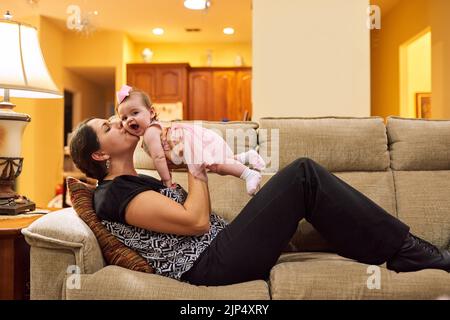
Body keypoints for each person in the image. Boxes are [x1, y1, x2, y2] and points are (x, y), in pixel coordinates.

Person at [69, 117, 450, 286]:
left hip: (222, 247)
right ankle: (409, 251)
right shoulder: (112, 195)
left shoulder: (138, 178)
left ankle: (396, 249)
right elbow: (195, 222)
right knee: (302, 173)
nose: (118, 122)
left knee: (307, 183)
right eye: (107, 128)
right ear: (100, 155)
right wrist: (195, 166)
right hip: (210, 265)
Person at [116, 85, 265, 195]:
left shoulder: (150, 133)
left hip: (189, 143)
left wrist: (166, 181)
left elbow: (159, 157)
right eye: (124, 118)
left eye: (135, 112)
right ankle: (247, 156)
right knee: (219, 163)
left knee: (217, 165)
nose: (130, 119)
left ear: (152, 112)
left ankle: (249, 174)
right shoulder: (154, 130)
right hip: (195, 139)